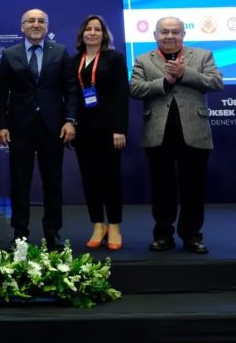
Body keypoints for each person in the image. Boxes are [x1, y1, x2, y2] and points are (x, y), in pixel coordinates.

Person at [130, 16, 223, 254]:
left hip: (194, 132)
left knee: (193, 188)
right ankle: (163, 236)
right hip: (157, 133)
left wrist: (184, 74)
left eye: (175, 32)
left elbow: (215, 82)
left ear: (183, 34)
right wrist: (165, 81)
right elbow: (135, 89)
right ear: (155, 35)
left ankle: (192, 236)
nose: (169, 36)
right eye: (164, 32)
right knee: (162, 188)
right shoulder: (143, 59)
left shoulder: (202, 56)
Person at [0, 8, 78, 250]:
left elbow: (71, 90)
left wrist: (70, 120)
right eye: (30, 21)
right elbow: (1, 94)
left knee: (53, 182)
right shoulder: (10, 54)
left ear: (47, 27)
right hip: (19, 128)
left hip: (53, 128)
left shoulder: (60, 52)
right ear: (22, 26)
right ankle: (19, 234)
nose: (36, 24)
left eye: (41, 21)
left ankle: (53, 233)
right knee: (20, 183)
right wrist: (1, 125)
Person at [70, 15, 128, 251]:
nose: (92, 33)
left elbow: (121, 95)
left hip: (108, 129)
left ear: (104, 34)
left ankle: (114, 226)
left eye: (97, 29)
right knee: (89, 179)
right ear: (82, 34)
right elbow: (71, 96)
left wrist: (119, 129)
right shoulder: (74, 61)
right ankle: (97, 224)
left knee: (110, 179)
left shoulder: (114, 58)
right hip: (83, 130)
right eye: (88, 29)